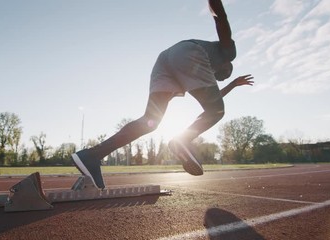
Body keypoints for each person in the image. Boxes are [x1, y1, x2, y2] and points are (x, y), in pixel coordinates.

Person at [72, 0, 254, 189]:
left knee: (150, 121)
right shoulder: (228, 53)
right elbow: (221, 20)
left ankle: (91, 156)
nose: (219, 77)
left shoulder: (206, 67)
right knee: (217, 110)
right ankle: (182, 140)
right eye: (223, 75)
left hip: (165, 61)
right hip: (188, 54)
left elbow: (213, 101)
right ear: (226, 64)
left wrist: (232, 85)